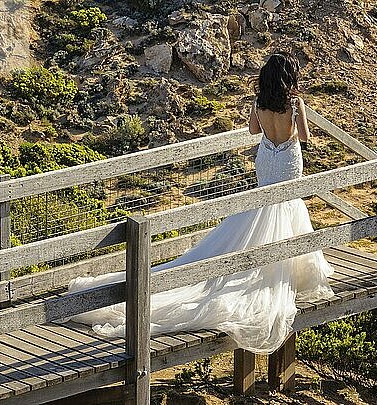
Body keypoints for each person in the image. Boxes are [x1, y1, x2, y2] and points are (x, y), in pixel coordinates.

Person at [54, 51, 336, 354]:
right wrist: (294, 118)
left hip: (267, 157)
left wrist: (269, 126)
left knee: (264, 204)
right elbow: (304, 137)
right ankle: (288, 268)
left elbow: (253, 131)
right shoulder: (295, 104)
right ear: (290, 78)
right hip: (289, 158)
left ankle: (262, 262)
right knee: (287, 203)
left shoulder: (259, 102)